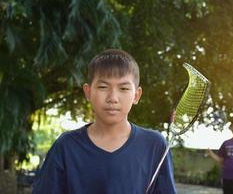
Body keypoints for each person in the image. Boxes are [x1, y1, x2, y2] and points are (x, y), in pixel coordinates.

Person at [32, 49, 177, 194]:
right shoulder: (66, 146)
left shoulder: (154, 145)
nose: (113, 98)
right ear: (88, 92)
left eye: (123, 88)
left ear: (136, 95)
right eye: (103, 87)